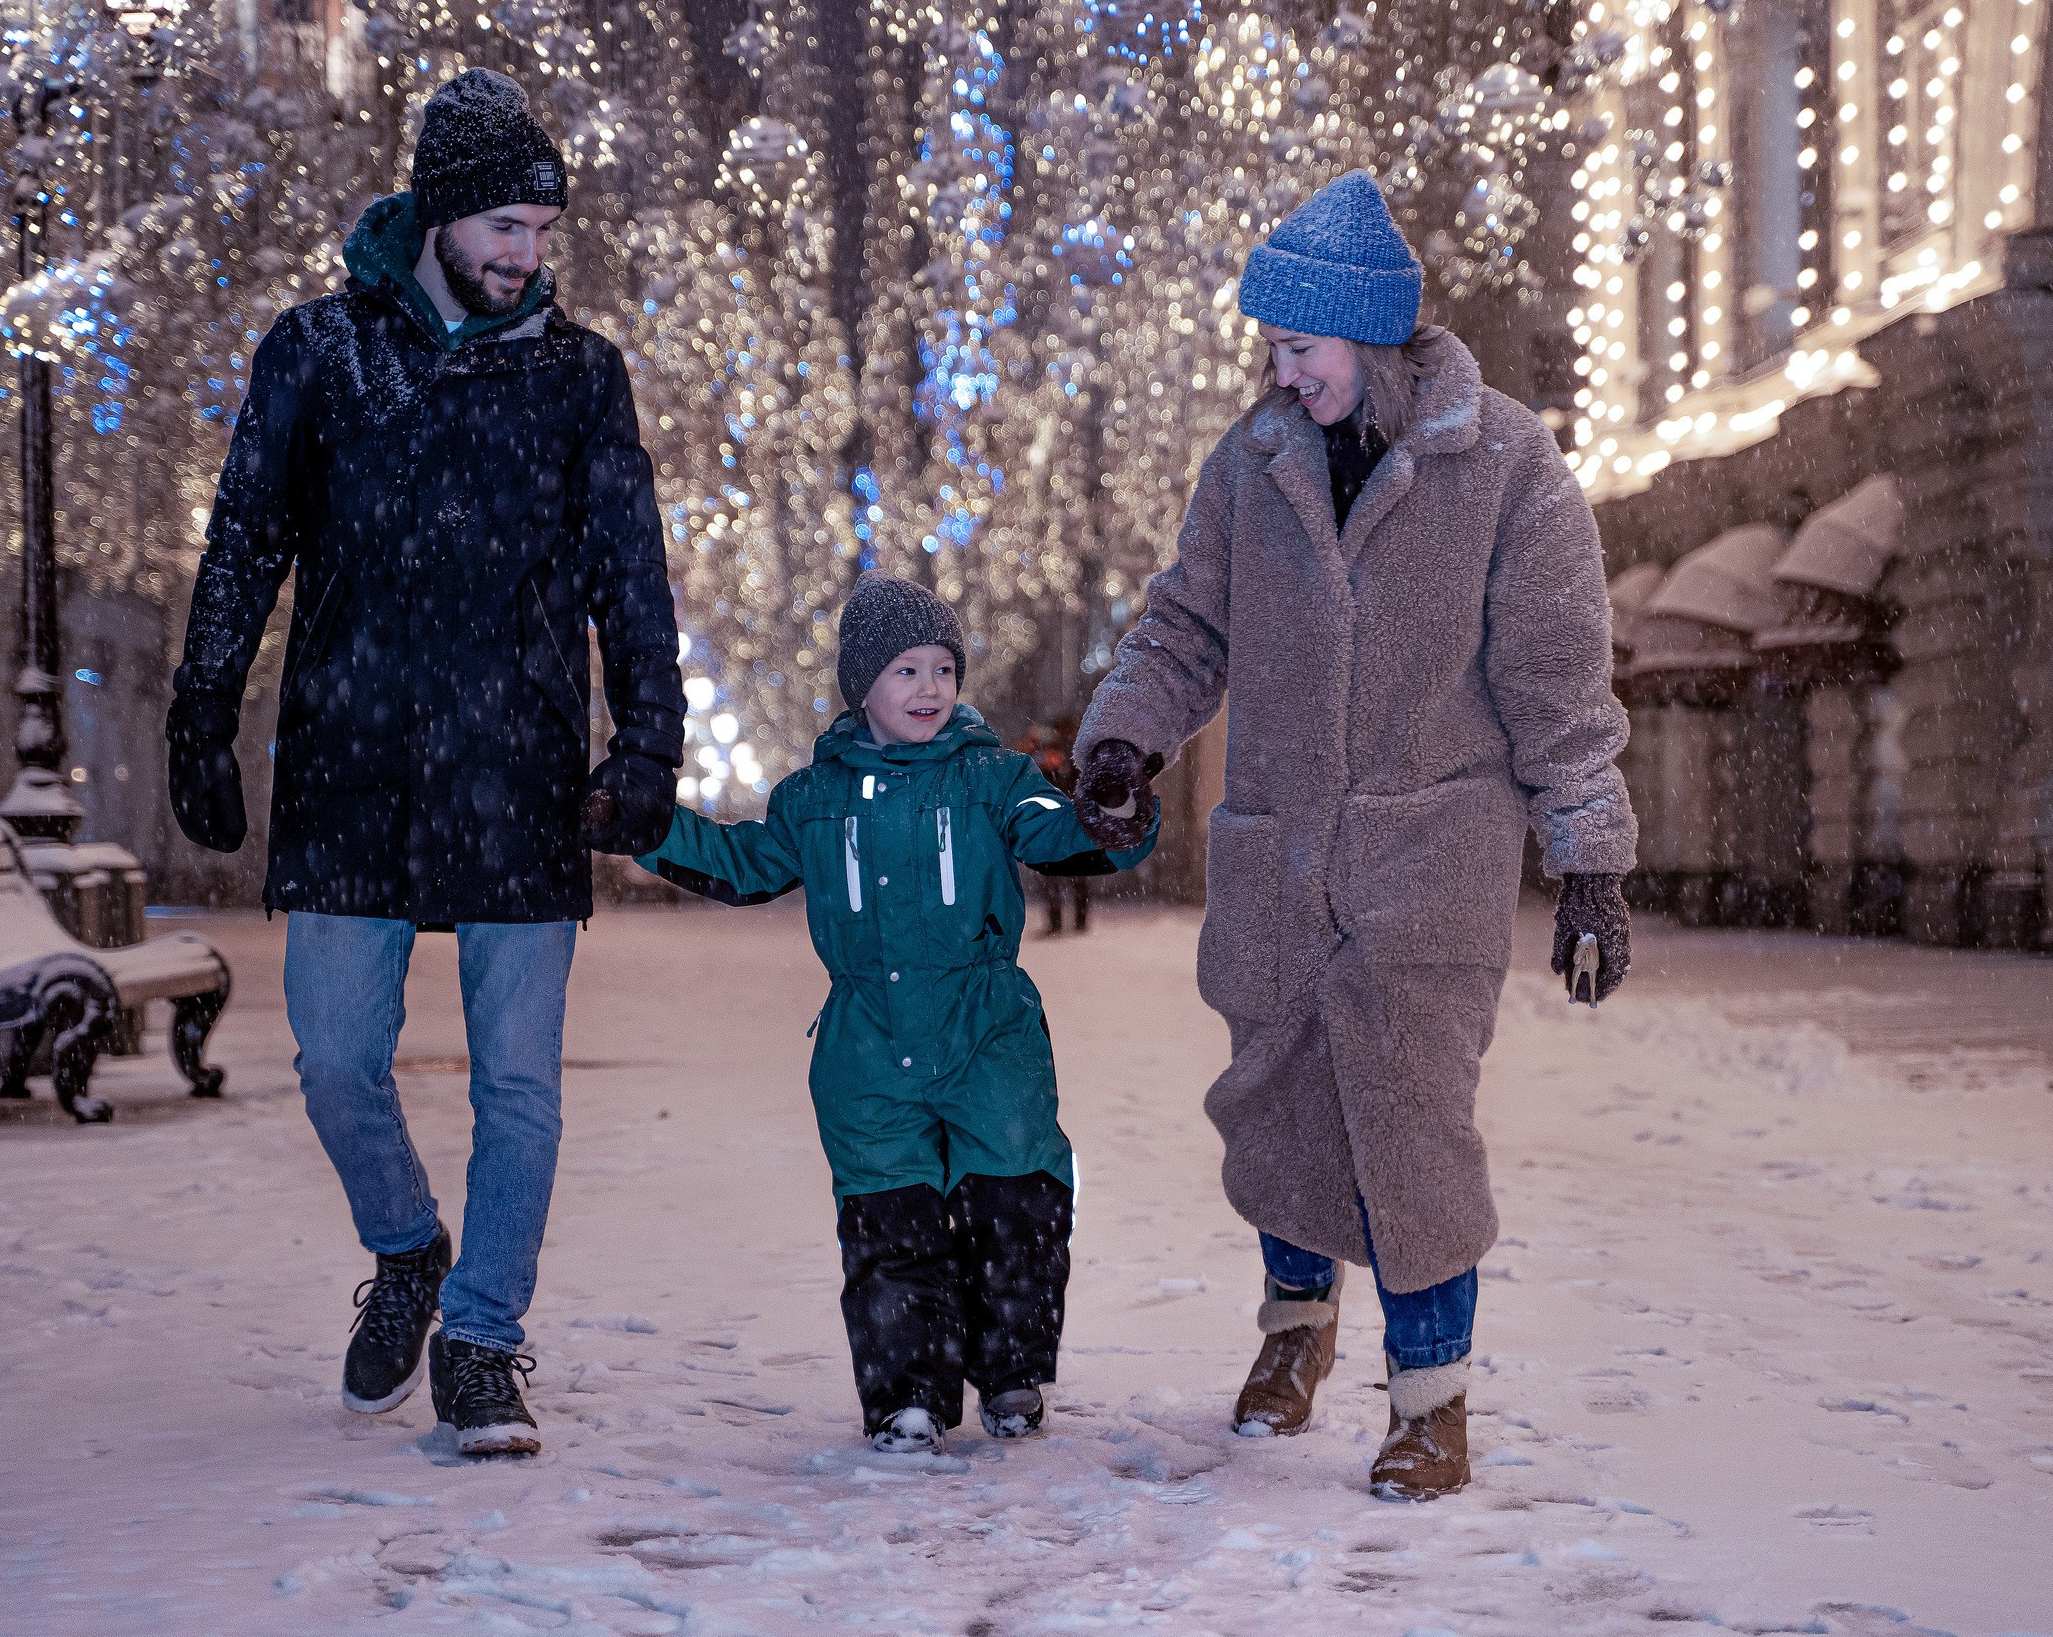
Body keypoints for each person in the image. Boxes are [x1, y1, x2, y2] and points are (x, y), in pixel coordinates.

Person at [1069, 170, 1636, 1500]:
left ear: (1370, 335)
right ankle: (1294, 1331)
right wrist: (1123, 737)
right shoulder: (1250, 463)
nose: (1282, 372)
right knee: (1279, 1110)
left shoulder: (1505, 465)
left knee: (1413, 1126)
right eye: (1271, 349)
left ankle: (1430, 1401)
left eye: (1299, 347)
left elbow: (1557, 678)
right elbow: (1184, 627)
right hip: (1279, 853)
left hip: (1426, 863)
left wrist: (1590, 861)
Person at [165, 68, 685, 1458]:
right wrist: (201, 708)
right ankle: (407, 1247)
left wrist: (649, 740)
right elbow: (245, 538)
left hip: (519, 765)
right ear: (439, 215)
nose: (526, 254)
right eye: (505, 225)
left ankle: (482, 1336)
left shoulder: (579, 375)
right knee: (337, 1060)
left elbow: (630, 575)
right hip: (352, 760)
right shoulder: (319, 352)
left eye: (542, 230)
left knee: (519, 1085)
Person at [633, 574, 1157, 1453]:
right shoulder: (814, 799)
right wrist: (649, 827)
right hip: (867, 1045)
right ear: (861, 686)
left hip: (988, 1032)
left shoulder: (996, 779)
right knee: (888, 1219)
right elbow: (742, 861)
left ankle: (1011, 1366)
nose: (929, 688)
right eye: (905, 670)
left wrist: (1114, 809)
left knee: (1016, 1197)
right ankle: (907, 1391)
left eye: (943, 668)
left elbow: (1057, 828)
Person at [1014, 717, 1091, 935]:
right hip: (1059, 820)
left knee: (1065, 873)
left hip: (1062, 820)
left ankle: (1073, 921)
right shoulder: (1045, 758)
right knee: (1057, 874)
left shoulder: (1068, 757)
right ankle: (1065, 921)